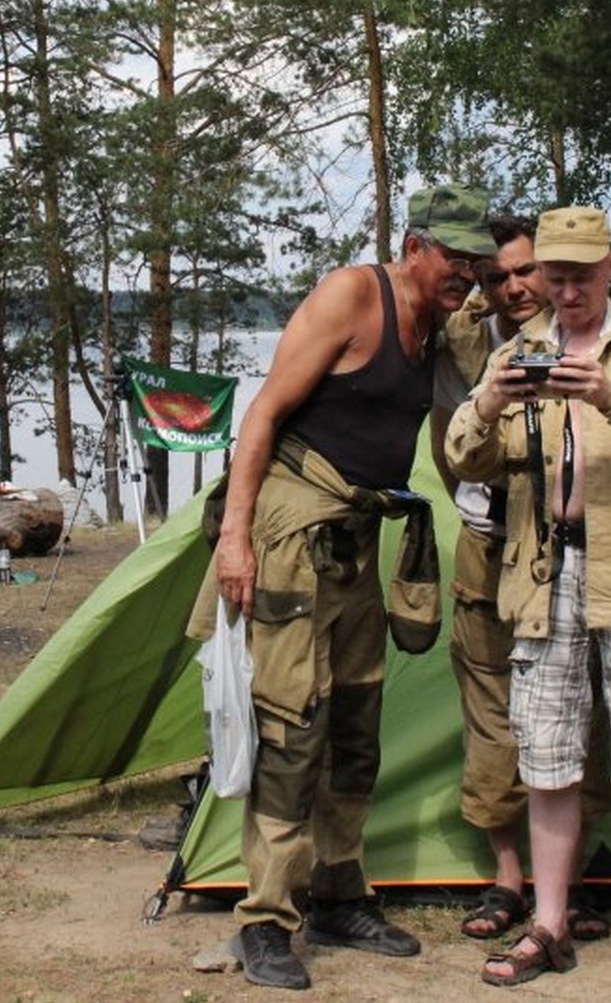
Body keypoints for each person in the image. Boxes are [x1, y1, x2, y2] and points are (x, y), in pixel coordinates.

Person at [190, 183, 496, 992]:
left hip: (358, 537)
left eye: (479, 260)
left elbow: (454, 445)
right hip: (291, 537)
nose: (469, 271)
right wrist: (234, 539)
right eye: (456, 257)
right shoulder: (351, 294)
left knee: (357, 723)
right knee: (293, 729)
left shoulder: (444, 328)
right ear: (415, 246)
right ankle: (264, 919)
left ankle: (338, 893)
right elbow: (262, 416)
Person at [445, 205, 611, 991]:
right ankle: (550, 924)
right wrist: (490, 401)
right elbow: (464, 458)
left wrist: (610, 397)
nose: (563, 292)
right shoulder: (520, 350)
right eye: (551, 277)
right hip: (544, 576)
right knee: (549, 758)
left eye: (577, 276)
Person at [429, 213, 611, 944]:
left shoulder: (598, 335)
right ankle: (509, 875)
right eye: (497, 276)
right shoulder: (462, 338)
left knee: (583, 706)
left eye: (527, 270)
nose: (514, 286)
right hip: (489, 541)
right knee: (494, 713)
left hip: (572, 544)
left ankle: (574, 874)